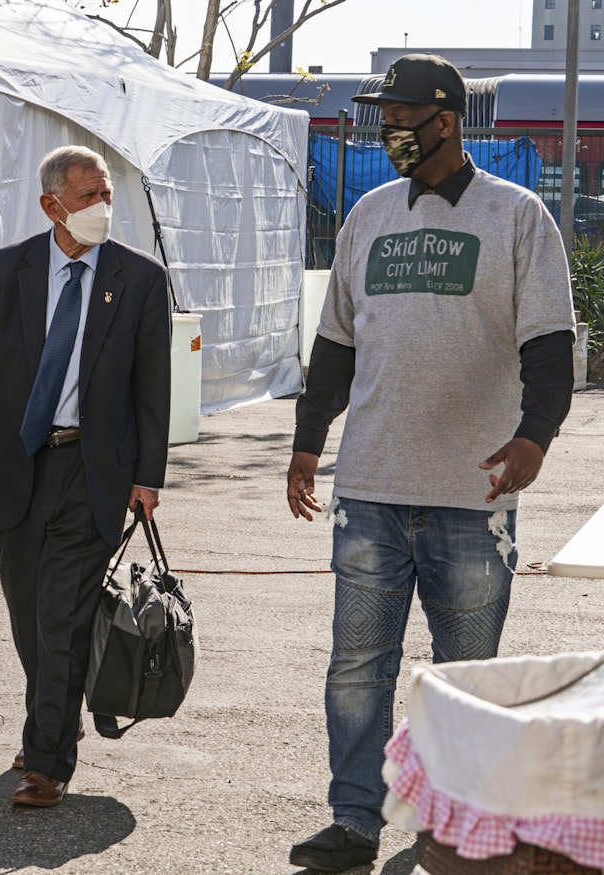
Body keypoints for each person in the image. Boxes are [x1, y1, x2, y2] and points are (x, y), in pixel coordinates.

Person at [285, 54, 576, 872]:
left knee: (464, 679)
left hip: (471, 494)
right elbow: (335, 343)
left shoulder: (517, 218)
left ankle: (449, 829)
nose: (390, 132)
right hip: (371, 488)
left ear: (445, 120)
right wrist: (309, 442)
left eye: (402, 117)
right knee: (357, 669)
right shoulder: (369, 215)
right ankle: (353, 819)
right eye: (386, 117)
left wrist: (535, 437)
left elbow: (552, 347)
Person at [0, 145, 171, 808]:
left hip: (93, 471)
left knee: (60, 615)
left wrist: (149, 476)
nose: (102, 208)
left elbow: (152, 388)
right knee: (30, 617)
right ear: (51, 205)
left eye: (106, 194)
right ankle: (53, 716)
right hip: (15, 467)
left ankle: (48, 758)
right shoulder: (7, 272)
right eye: (88, 197)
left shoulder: (139, 280)